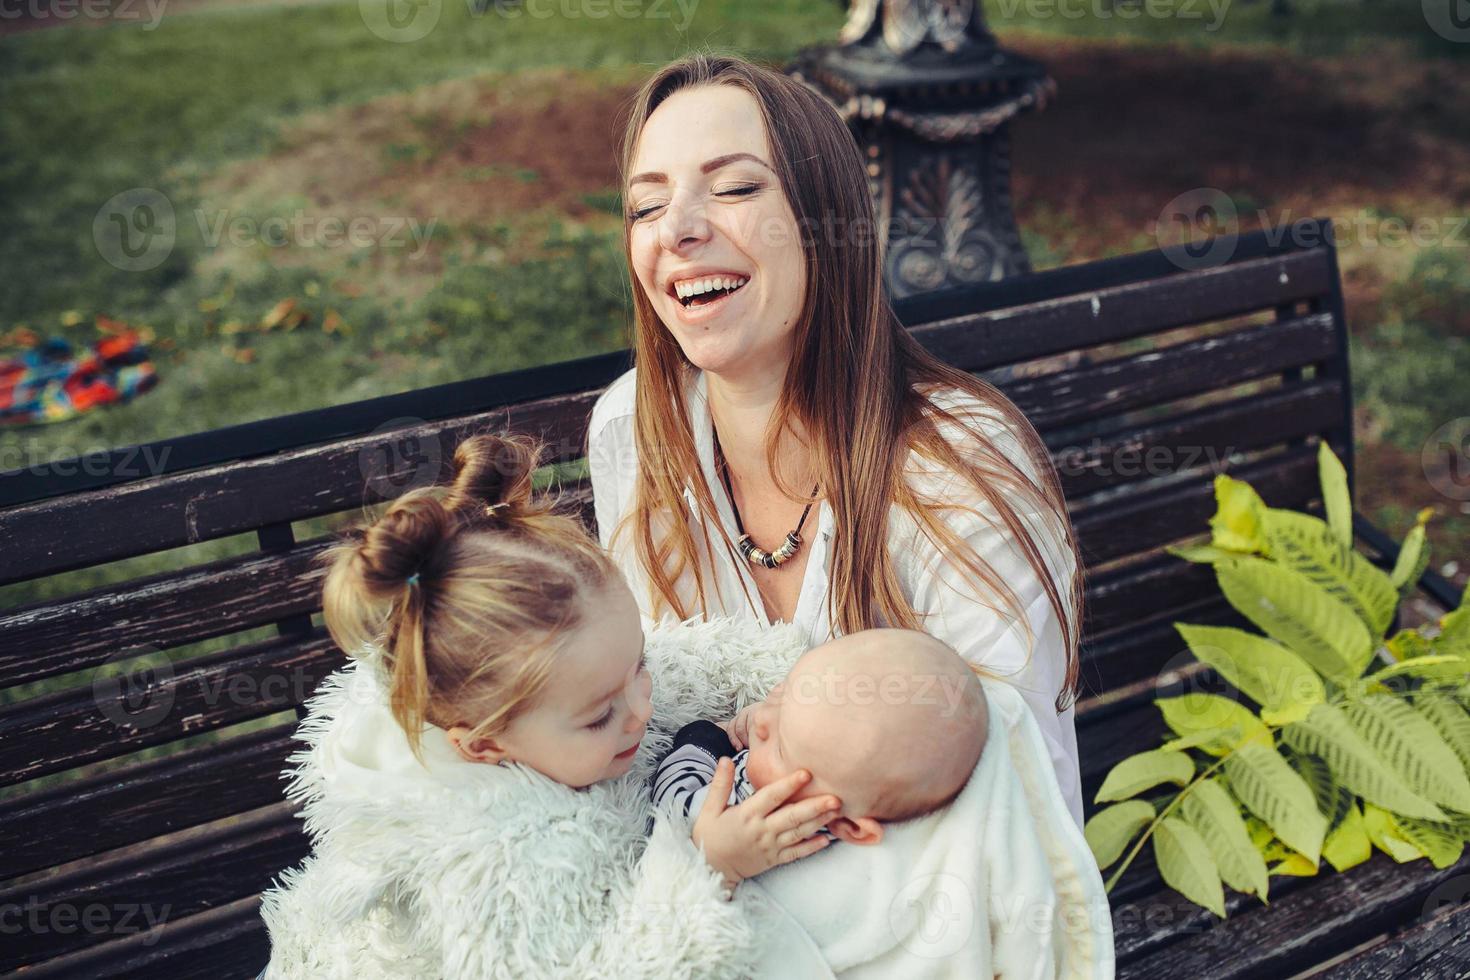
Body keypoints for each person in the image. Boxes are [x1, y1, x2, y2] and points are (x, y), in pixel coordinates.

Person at [588, 51, 1088, 827]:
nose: (678, 231)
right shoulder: (631, 430)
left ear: (829, 226)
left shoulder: (960, 467)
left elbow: (1023, 803)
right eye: (646, 207)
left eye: (735, 188)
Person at [256, 433, 838, 979]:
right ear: (484, 744)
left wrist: (810, 692)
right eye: (599, 716)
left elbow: (699, 660)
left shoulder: (586, 678)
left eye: (639, 664)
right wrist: (710, 868)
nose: (640, 705)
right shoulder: (495, 867)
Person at [652, 628, 988, 849]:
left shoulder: (757, 823)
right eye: (783, 695)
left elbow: (670, 815)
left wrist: (701, 741)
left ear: (849, 827)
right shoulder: (836, 768)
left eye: (780, 747)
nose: (763, 721)